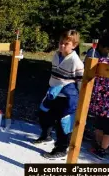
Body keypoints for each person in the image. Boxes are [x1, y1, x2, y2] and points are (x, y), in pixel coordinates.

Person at [33, 29, 84, 159]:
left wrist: (79, 100)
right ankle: (46, 136)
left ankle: (61, 149)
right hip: (53, 92)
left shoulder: (76, 62)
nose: (62, 46)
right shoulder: (56, 55)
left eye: (66, 44)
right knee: (44, 113)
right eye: (61, 42)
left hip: (66, 97)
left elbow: (81, 82)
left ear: (74, 45)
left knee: (63, 123)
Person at [83, 33, 109, 141]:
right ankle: (80, 129)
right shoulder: (93, 53)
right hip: (88, 84)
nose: (108, 52)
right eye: (107, 49)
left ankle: (84, 129)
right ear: (101, 46)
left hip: (97, 87)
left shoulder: (102, 54)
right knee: (83, 108)